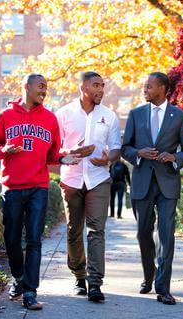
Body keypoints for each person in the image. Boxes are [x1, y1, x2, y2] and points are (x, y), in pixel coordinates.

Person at [0, 74, 78, 310]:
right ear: (26, 87)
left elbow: (53, 155)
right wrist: (4, 150)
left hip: (38, 187)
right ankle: (18, 278)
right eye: (40, 87)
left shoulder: (50, 119)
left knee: (34, 240)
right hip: (13, 187)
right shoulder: (5, 116)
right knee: (12, 239)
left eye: (46, 88)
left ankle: (30, 292)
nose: (44, 91)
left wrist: (65, 158)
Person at [121, 72, 183, 305]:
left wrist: (174, 157)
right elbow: (125, 148)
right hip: (142, 182)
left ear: (163, 89)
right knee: (143, 233)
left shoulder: (180, 116)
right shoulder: (135, 114)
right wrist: (138, 154)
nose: (145, 90)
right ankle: (149, 275)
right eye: (145, 86)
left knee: (166, 236)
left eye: (149, 86)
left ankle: (163, 288)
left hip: (167, 184)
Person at [55, 71, 121, 303]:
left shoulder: (109, 116)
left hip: (98, 179)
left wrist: (108, 159)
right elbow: (55, 149)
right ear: (83, 87)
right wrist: (70, 151)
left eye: (102, 86)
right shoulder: (63, 114)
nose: (101, 89)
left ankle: (95, 283)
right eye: (96, 85)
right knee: (74, 231)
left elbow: (115, 147)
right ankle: (78, 276)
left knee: (96, 231)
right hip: (72, 179)